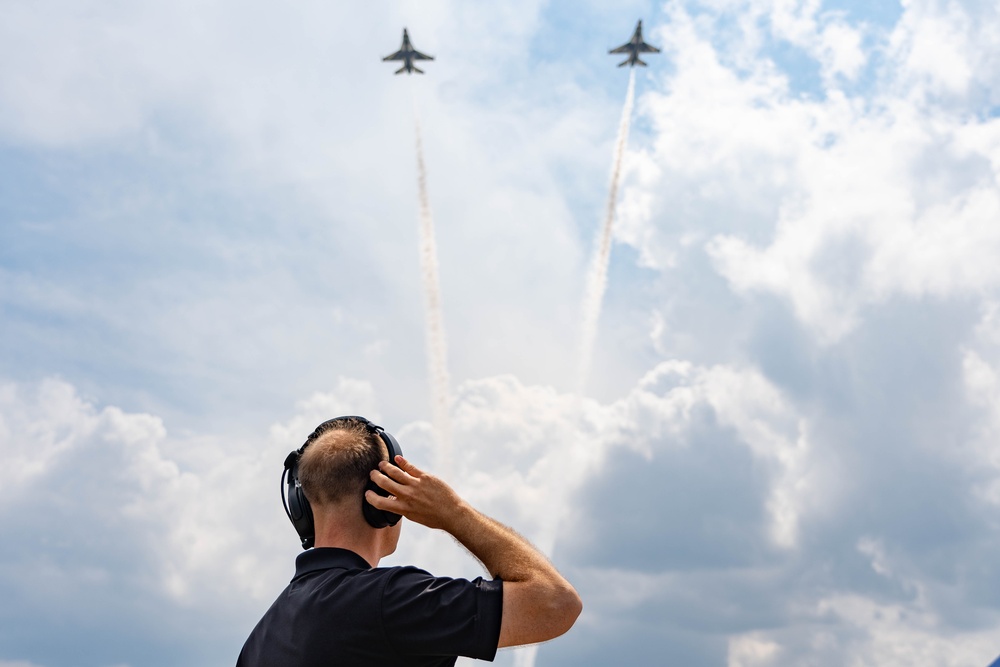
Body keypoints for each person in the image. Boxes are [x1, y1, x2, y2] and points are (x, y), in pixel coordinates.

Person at [236, 416, 582, 666]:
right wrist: (454, 512)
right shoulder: (390, 602)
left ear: (301, 510)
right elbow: (555, 604)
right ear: (385, 499)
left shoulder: (257, 642)